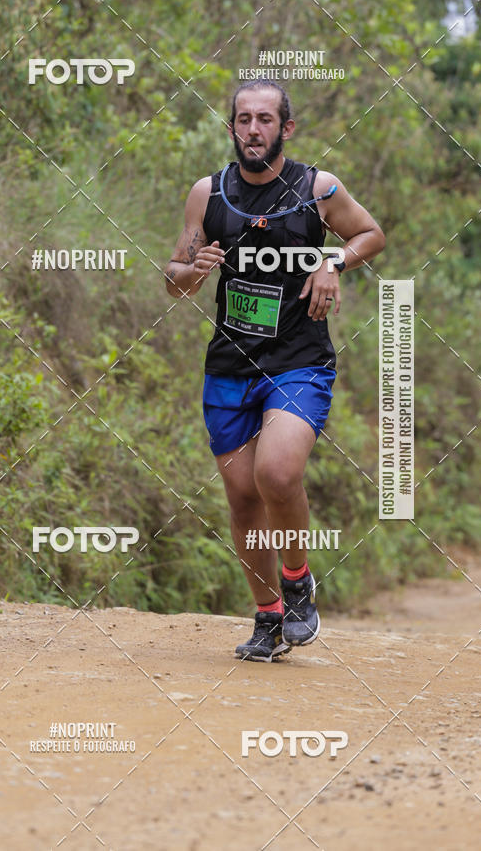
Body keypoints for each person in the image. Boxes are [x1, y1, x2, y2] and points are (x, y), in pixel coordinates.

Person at [164, 79, 385, 661]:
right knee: (241, 498)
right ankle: (267, 618)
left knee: (278, 475)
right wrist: (193, 269)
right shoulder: (208, 194)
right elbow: (173, 276)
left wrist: (331, 258)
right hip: (230, 364)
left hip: (298, 361)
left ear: (285, 128)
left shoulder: (318, 188)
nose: (254, 129)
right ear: (232, 127)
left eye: (266, 119)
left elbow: (371, 233)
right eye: (244, 119)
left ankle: (296, 579)